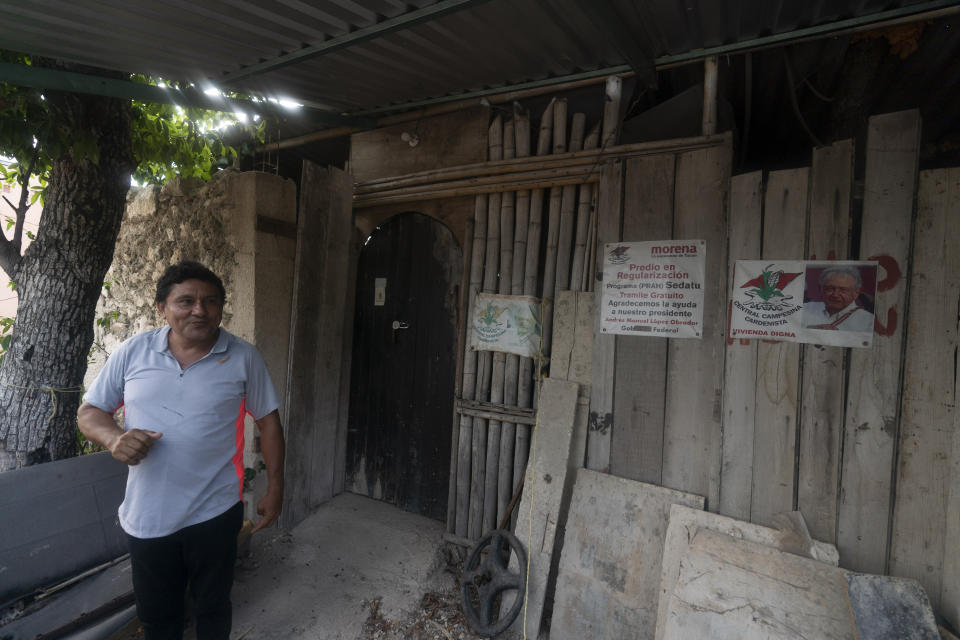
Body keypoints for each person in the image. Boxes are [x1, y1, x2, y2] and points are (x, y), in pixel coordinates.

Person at [78, 261, 285, 640]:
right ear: (162, 308)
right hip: (148, 516)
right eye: (185, 301)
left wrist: (275, 487)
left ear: (222, 307)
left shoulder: (242, 357)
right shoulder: (133, 353)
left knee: (214, 607)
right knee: (158, 618)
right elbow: (90, 412)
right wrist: (114, 438)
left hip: (216, 511)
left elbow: (269, 423)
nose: (199, 310)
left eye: (210, 301)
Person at [801, 265, 874, 332]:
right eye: (830, 288)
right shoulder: (804, 309)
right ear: (821, 289)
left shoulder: (869, 322)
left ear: (856, 293)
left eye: (843, 290)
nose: (835, 295)